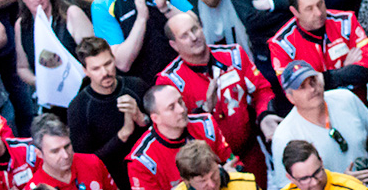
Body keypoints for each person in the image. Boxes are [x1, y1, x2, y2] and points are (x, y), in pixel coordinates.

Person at [156, 11, 278, 186]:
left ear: (202, 27)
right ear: (174, 45)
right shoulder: (170, 81)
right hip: (210, 169)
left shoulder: (233, 55)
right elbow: (174, 128)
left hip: (250, 151)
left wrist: (264, 115)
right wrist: (205, 109)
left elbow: (261, 90)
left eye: (195, 29)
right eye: (184, 36)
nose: (193, 37)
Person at [269, 62, 368, 188]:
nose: (312, 89)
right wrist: (342, 183)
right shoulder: (284, 136)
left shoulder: (345, 98)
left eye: (313, 80)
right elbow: (287, 186)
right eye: (302, 87)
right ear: (290, 97)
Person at [66, 38, 150, 190]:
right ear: (85, 71)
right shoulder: (79, 108)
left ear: (114, 59)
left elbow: (163, 129)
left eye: (108, 64)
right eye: (96, 68)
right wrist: (122, 136)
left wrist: (142, 119)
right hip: (114, 181)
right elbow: (86, 163)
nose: (105, 73)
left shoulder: (136, 86)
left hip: (150, 171)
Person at [126, 83, 233, 190]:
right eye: (171, 107)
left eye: (180, 101)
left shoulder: (206, 124)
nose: (181, 110)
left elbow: (232, 163)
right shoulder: (142, 161)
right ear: (155, 118)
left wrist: (224, 173)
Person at [28, 116, 117, 190]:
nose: (65, 155)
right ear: (39, 153)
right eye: (55, 151)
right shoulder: (35, 187)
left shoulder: (92, 162)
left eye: (67, 146)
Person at [275, 141, 367, 190]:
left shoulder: (352, 188)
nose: (315, 182)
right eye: (305, 179)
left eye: (317, 172)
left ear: (321, 162)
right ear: (290, 178)